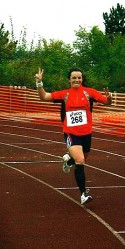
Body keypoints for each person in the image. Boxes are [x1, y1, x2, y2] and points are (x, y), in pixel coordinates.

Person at [35, 67, 112, 204]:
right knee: (80, 160)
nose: (77, 80)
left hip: (87, 133)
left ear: (82, 79)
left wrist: (109, 98)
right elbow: (44, 97)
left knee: (82, 159)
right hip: (71, 133)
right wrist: (39, 83)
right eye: (74, 78)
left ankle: (68, 161)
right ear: (69, 80)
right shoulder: (64, 94)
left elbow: (107, 102)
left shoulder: (90, 93)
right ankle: (83, 195)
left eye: (79, 78)